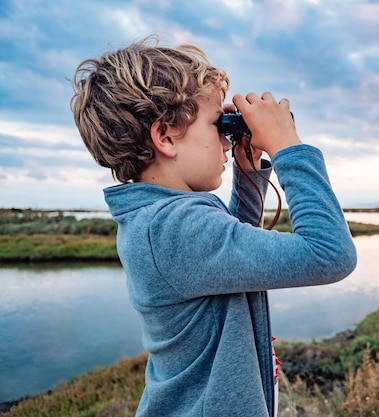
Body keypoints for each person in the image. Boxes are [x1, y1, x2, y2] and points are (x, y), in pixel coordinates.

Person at [70, 36, 357, 417]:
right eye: (215, 125)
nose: (225, 142)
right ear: (166, 136)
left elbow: (227, 253)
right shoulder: (173, 227)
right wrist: (289, 148)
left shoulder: (161, 217)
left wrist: (249, 169)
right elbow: (329, 254)